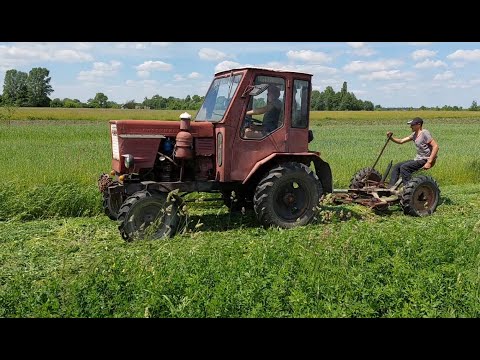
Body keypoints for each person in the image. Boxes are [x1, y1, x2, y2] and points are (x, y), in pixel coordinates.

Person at [386, 117, 439, 188]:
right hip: (418, 159)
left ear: (419, 125)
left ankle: (408, 188)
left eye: (412, 125)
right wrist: (391, 137)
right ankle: (391, 188)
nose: (410, 126)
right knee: (397, 166)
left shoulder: (424, 133)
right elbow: (401, 141)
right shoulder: (414, 134)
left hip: (425, 159)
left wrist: (429, 162)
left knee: (404, 168)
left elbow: (435, 146)